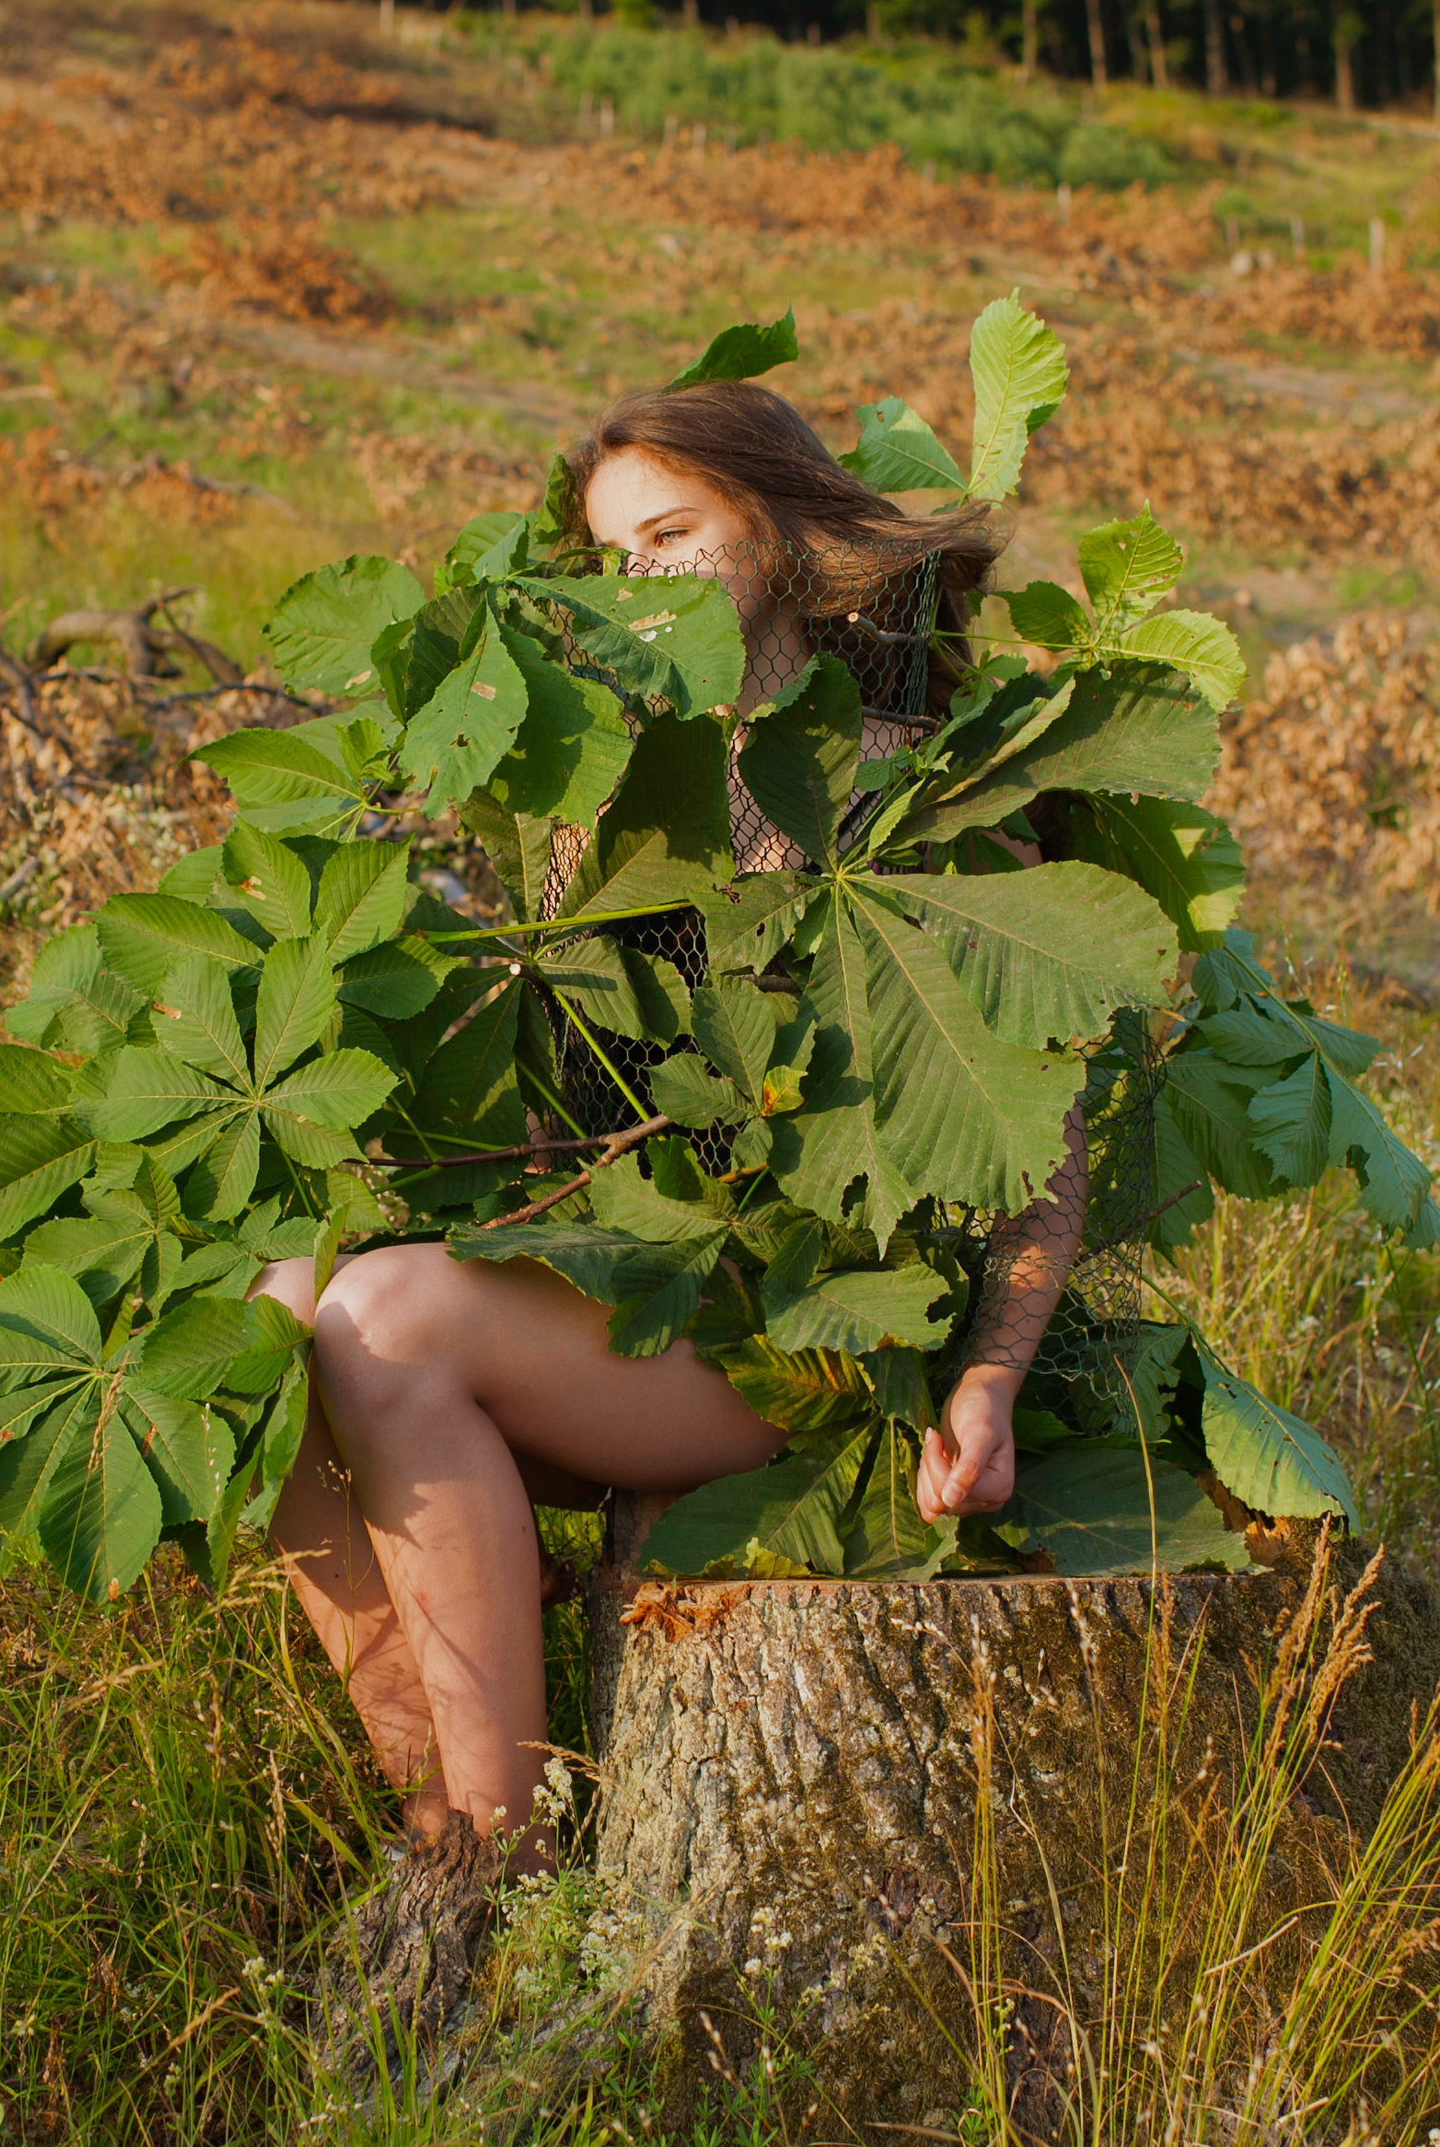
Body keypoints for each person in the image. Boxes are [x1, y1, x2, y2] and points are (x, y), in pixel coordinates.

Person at [248, 382, 1089, 1871]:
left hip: (820, 1335)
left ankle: (500, 1860)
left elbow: (1042, 1144)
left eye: (673, 532)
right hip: (647, 1300)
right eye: (615, 553)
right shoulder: (603, 796)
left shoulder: (919, 792)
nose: (641, 575)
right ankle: (442, 1835)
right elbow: (572, 1132)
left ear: (777, 528)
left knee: (384, 1318)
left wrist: (988, 1379)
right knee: (272, 1314)